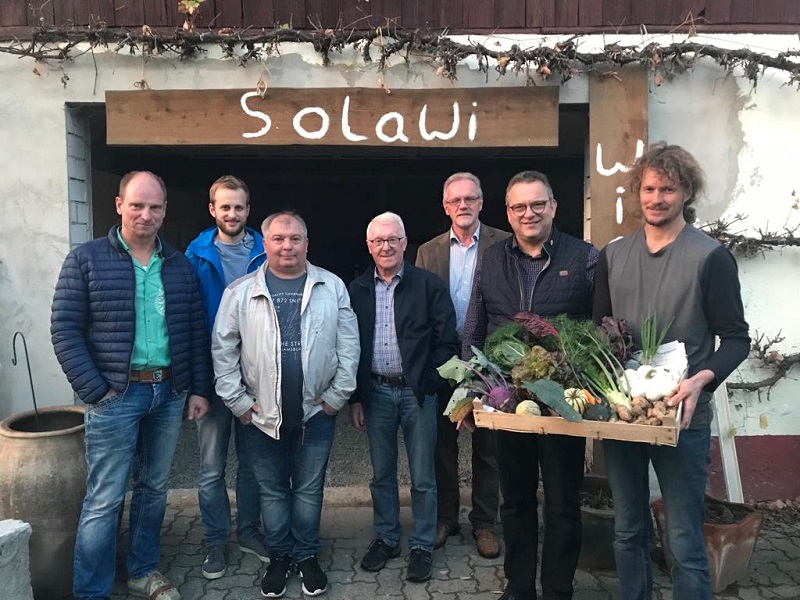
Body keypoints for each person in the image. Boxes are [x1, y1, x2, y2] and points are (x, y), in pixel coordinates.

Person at [593, 143, 750, 600]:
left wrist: (703, 378)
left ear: (687, 193)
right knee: (627, 530)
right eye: (648, 188)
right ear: (636, 192)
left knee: (683, 540)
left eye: (667, 188)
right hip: (625, 414)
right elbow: (600, 330)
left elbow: (736, 338)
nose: (656, 198)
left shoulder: (710, 256)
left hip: (682, 415)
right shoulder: (613, 254)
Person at [51, 171, 211, 600]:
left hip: (167, 392)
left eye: (155, 206)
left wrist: (196, 388)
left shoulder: (178, 264)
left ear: (164, 211)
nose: (146, 214)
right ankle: (91, 591)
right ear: (119, 204)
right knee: (104, 498)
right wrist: (96, 390)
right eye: (137, 205)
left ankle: (142, 571)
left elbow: (194, 330)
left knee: (154, 488)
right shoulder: (85, 259)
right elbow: (64, 329)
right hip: (115, 396)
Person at [462, 171, 598, 600]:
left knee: (562, 504)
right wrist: (471, 386)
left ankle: (558, 589)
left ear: (553, 206)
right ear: (508, 213)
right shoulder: (492, 259)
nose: (529, 213)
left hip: (563, 404)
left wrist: (586, 385)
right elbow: (475, 326)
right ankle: (519, 588)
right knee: (515, 501)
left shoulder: (584, 258)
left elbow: (598, 330)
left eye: (537, 204)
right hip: (510, 405)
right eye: (519, 207)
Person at [212, 211, 360, 598]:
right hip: (261, 416)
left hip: (316, 412)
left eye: (295, 238)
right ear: (265, 244)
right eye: (278, 239)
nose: (287, 246)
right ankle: (279, 557)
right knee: (273, 490)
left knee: (309, 489)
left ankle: (307, 555)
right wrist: (239, 403)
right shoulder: (241, 292)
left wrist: (336, 397)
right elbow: (223, 351)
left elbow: (349, 345)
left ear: (307, 244)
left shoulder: (332, 286)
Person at [349, 212, 459, 583]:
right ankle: (387, 537)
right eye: (378, 241)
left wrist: (427, 382)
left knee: (424, 475)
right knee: (381, 474)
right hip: (376, 391)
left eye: (393, 239)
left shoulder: (428, 285)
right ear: (369, 246)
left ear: (404, 242)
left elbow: (448, 342)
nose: (386, 247)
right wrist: (356, 397)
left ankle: (422, 544)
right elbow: (350, 347)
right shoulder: (357, 290)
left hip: (418, 394)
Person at [415, 172, 510, 557]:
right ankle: (446, 517)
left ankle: (485, 523)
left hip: (490, 362)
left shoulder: (504, 243)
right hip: (444, 361)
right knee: (442, 445)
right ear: (445, 207)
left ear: (481, 203)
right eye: (455, 201)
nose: (463, 206)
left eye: (470, 199)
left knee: (489, 447)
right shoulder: (428, 250)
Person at [185, 175, 268, 579]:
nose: (232, 213)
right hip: (212, 375)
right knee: (211, 467)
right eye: (224, 206)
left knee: (252, 465)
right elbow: (186, 320)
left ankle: (250, 532)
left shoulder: (268, 249)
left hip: (255, 376)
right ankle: (215, 540)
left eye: (239, 206)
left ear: (247, 210)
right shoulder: (195, 254)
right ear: (212, 209)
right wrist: (196, 384)